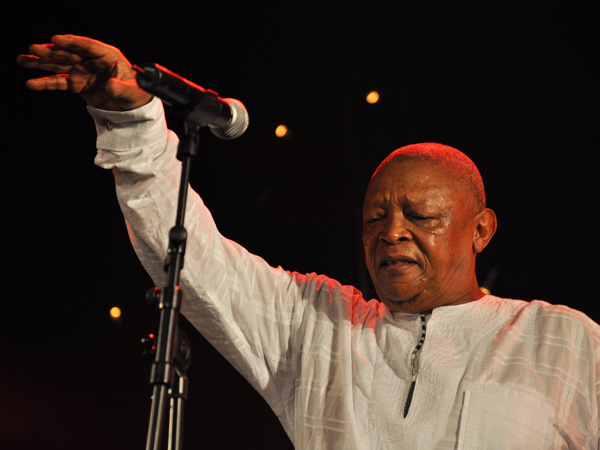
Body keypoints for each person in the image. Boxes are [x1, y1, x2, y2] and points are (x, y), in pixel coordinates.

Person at [18, 35, 600, 449]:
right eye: (375, 218)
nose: (392, 232)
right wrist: (133, 122)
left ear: (481, 230)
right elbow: (193, 259)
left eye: (420, 215)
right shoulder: (320, 329)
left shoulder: (563, 341)